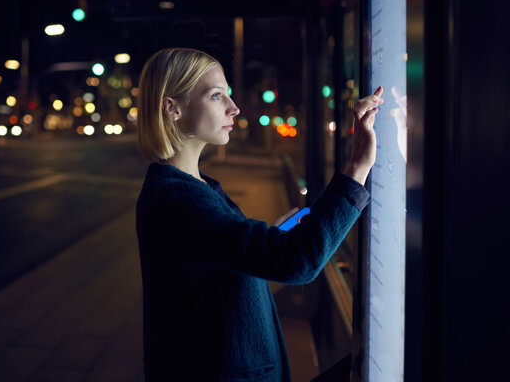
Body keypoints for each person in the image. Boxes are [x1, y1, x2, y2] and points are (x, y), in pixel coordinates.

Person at [135, 47, 383, 382]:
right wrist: (358, 167)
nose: (234, 108)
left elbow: (225, 262)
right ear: (173, 108)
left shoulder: (194, 188)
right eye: (216, 95)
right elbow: (295, 261)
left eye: (229, 95)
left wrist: (271, 242)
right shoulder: (178, 198)